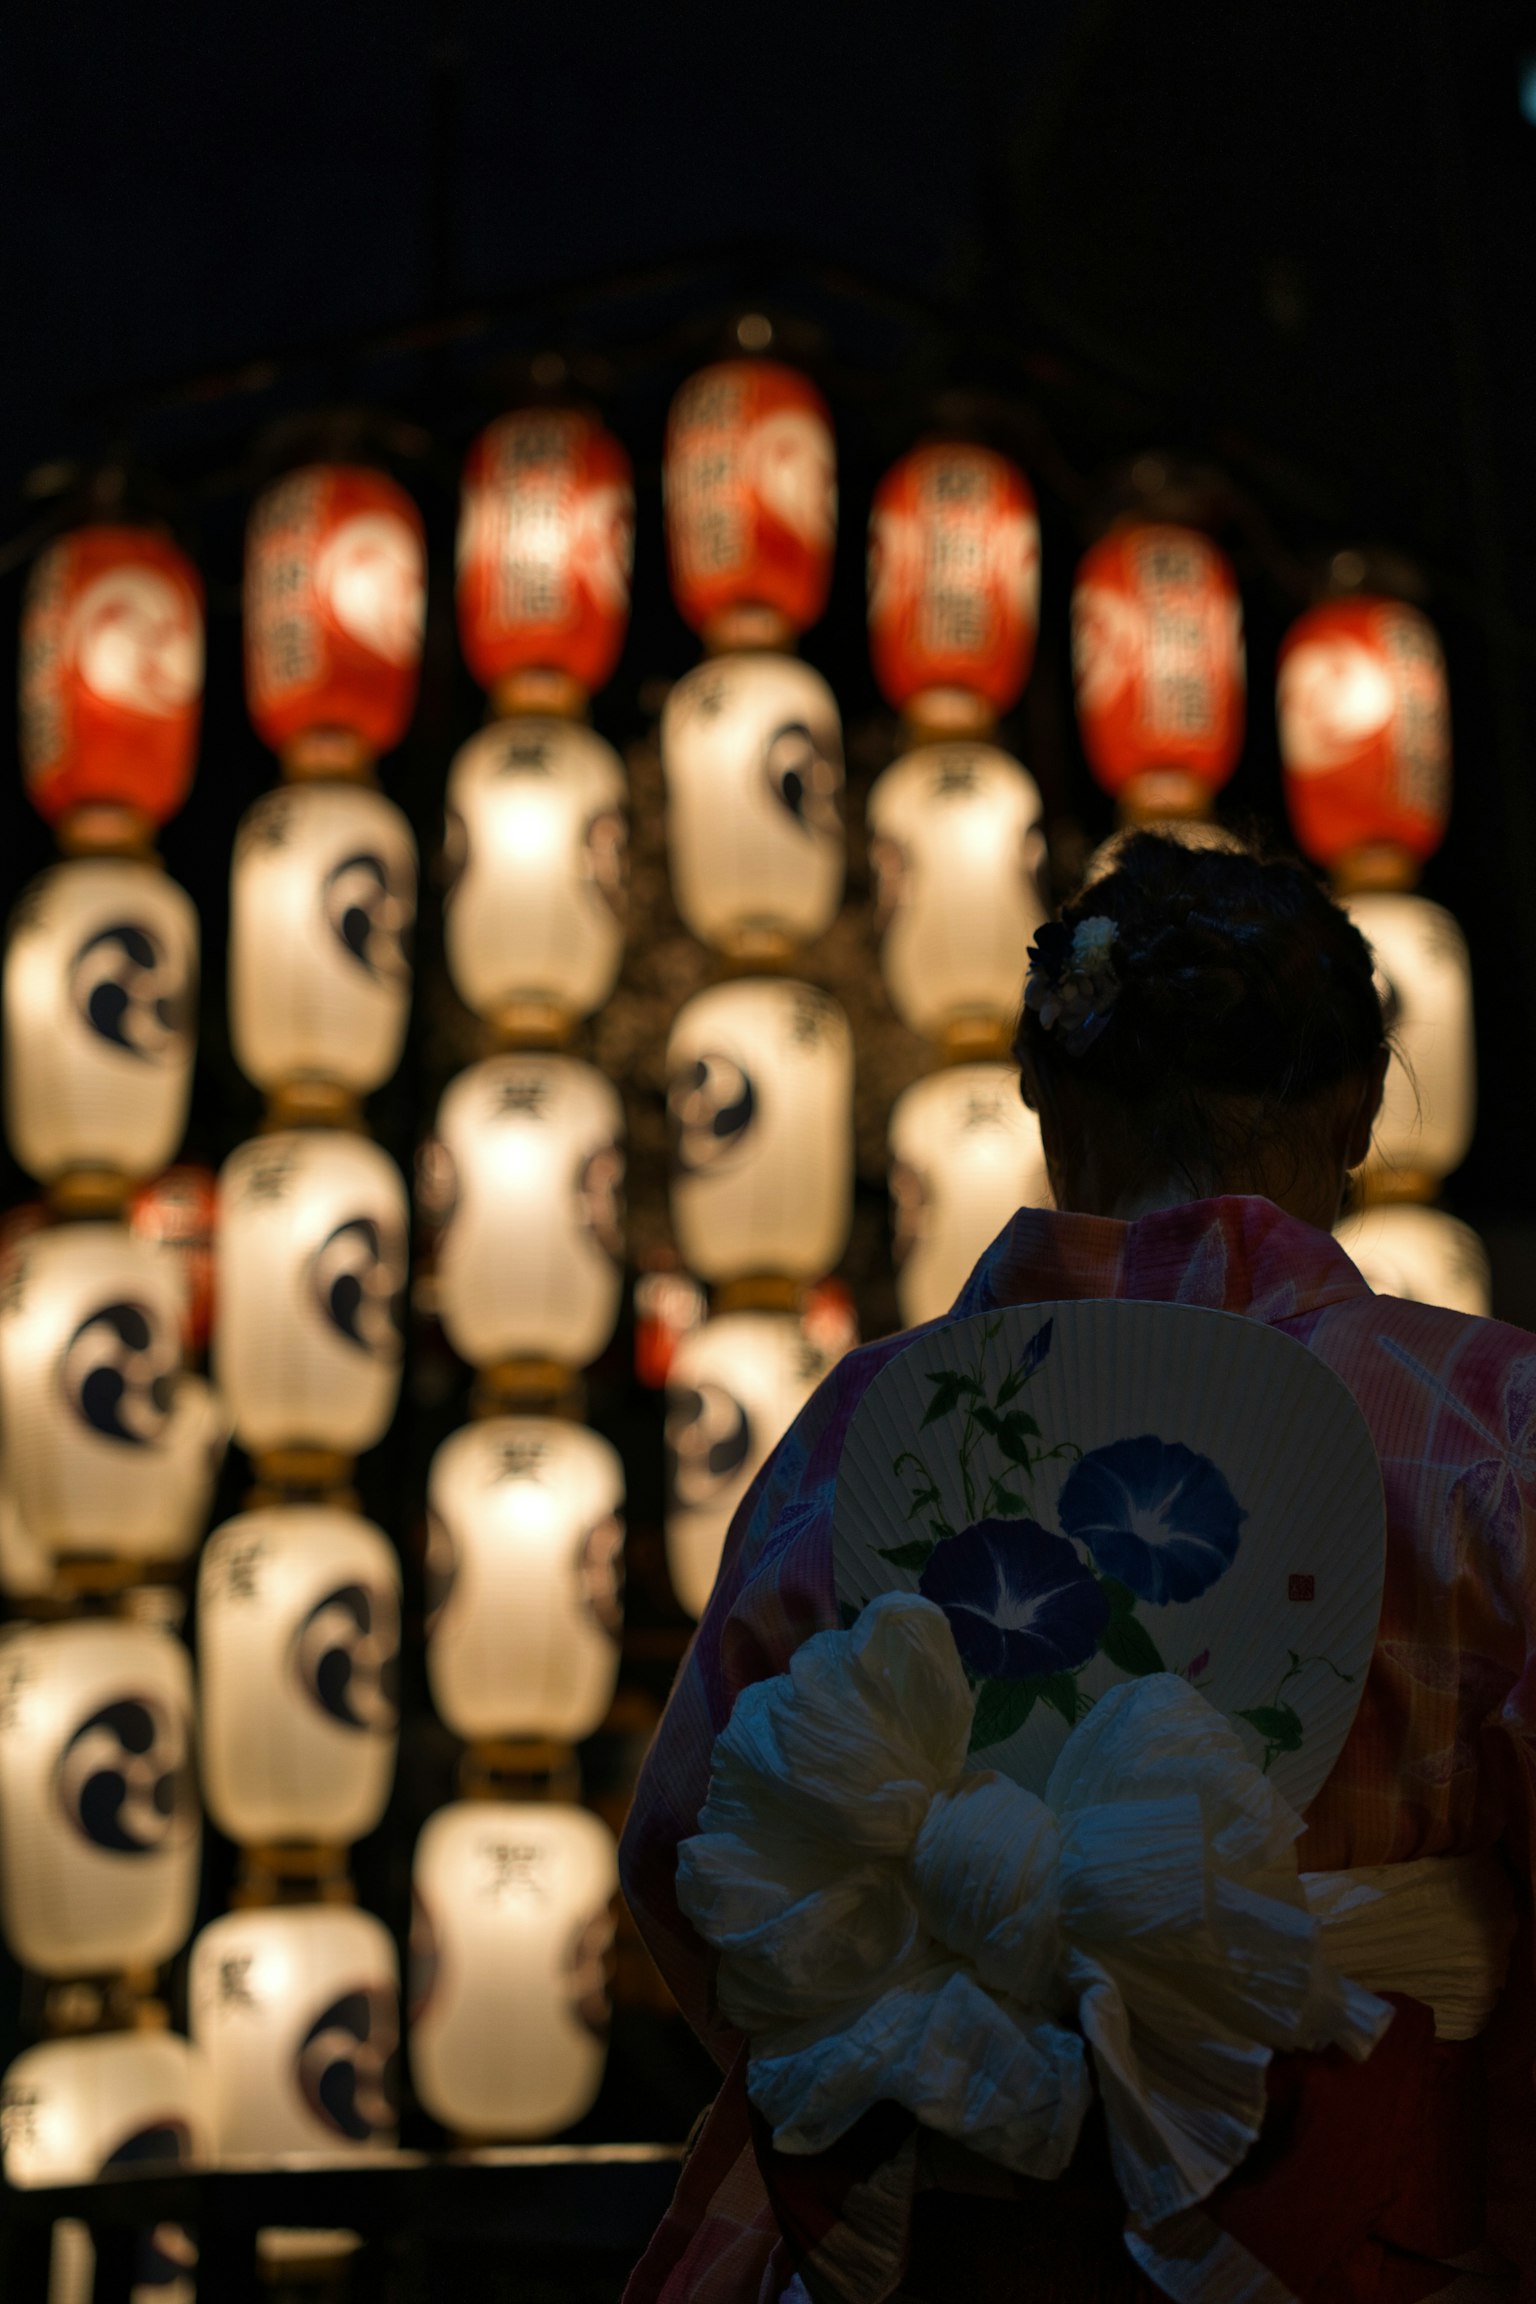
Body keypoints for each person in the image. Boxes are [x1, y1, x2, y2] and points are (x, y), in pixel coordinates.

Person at [619, 832, 1536, 2304]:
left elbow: (684, 1862)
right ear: (1361, 1105)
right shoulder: (1489, 1430)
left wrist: (963, 2055)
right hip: (1376, 2235)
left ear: (1043, 1098)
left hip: (959, 2252)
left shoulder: (860, 1435)